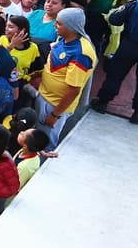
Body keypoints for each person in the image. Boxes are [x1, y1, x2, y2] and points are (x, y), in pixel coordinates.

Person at [33, 8, 98, 145]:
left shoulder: (81, 54)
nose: (54, 25)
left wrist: (55, 115)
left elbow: (74, 90)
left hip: (54, 105)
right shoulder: (63, 38)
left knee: (45, 142)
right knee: (37, 135)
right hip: (44, 96)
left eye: (59, 23)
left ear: (71, 27)